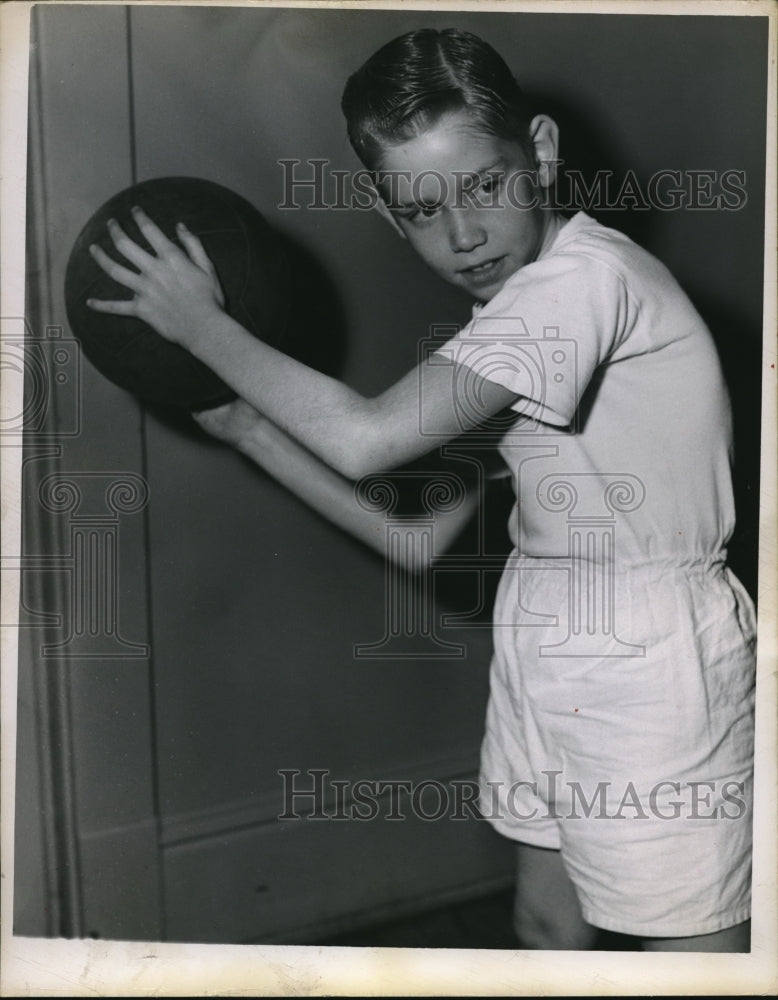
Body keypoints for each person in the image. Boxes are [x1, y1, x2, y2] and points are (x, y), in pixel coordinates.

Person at [86, 28, 756, 952]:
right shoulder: (516, 309)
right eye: (423, 208)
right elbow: (429, 537)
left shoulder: (580, 287)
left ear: (545, 152)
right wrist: (253, 433)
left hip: (650, 654)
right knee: (546, 920)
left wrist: (201, 327)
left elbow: (368, 442)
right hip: (547, 616)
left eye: (484, 184)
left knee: (689, 958)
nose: (465, 233)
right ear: (386, 209)